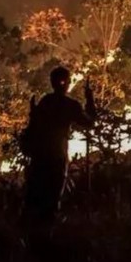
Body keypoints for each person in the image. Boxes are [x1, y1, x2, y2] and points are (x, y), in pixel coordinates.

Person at [21, 66, 96, 233]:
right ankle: (48, 236)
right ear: (66, 83)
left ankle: (32, 235)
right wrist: (90, 100)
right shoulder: (70, 105)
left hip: (39, 157)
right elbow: (90, 122)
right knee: (53, 198)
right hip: (57, 157)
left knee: (36, 197)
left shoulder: (45, 102)